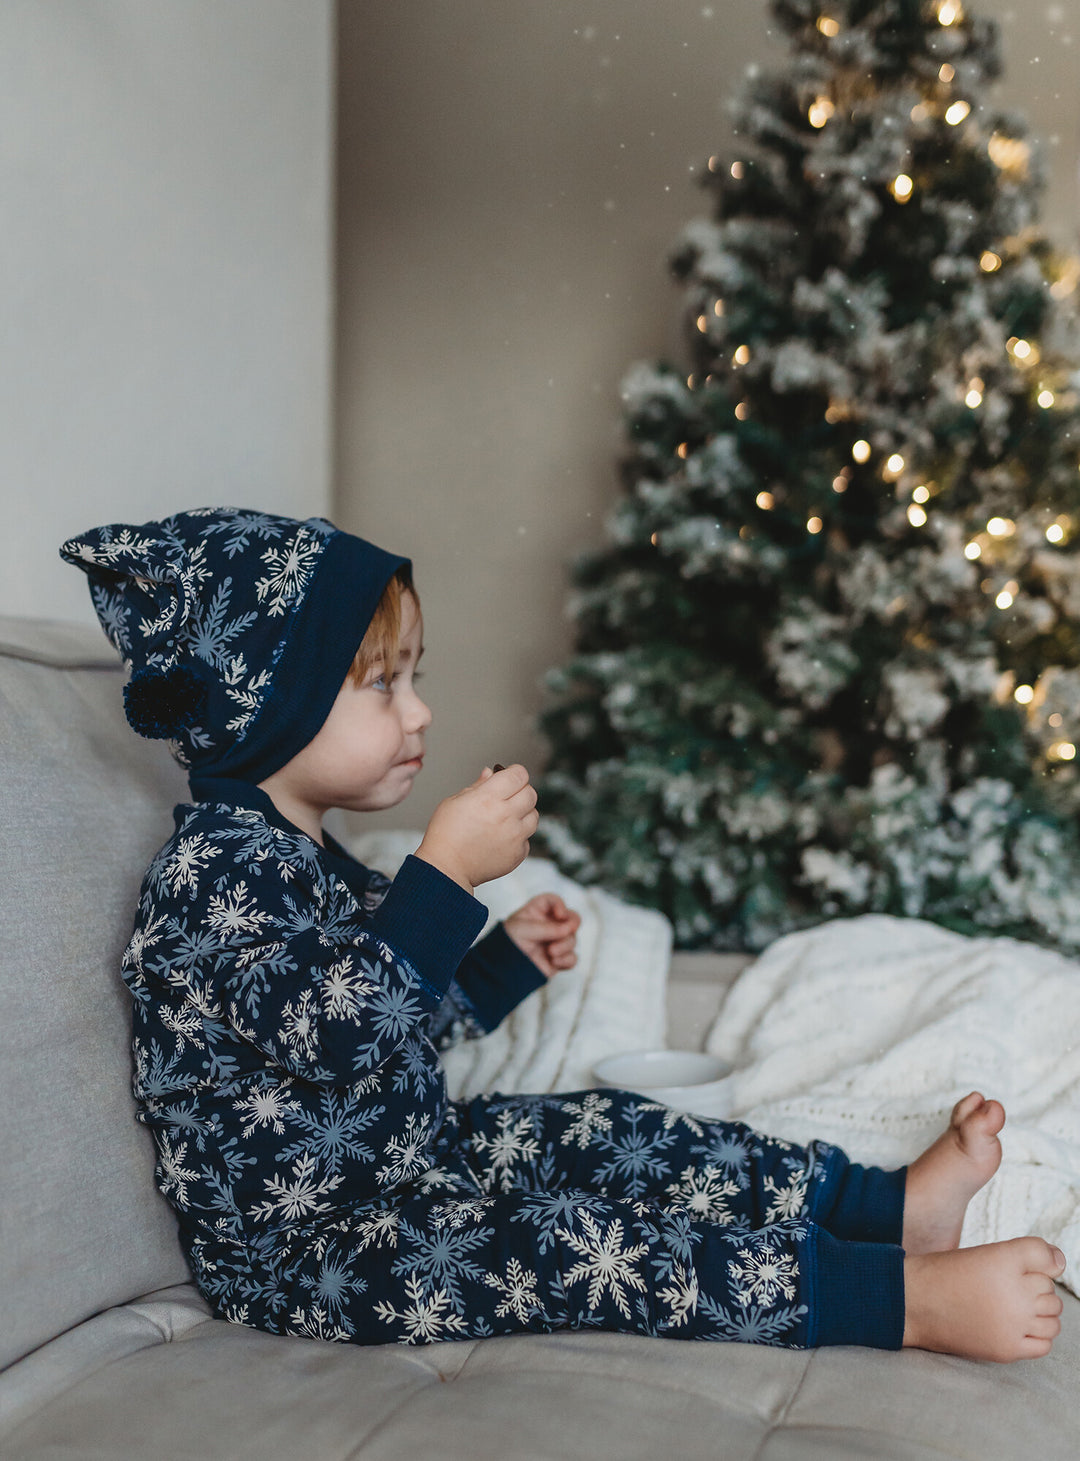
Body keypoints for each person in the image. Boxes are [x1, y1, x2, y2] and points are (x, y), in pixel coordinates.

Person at [61, 506, 1066, 1360]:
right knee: (578, 1243)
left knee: (611, 1129)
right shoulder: (211, 879)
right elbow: (340, 1033)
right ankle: (898, 1303)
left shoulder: (309, 857)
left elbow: (393, 1027)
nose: (420, 714)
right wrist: (445, 874)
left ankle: (881, 1210)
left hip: (419, 1166)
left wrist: (498, 967)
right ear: (267, 705)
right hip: (316, 1256)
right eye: (381, 685)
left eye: (414, 678)